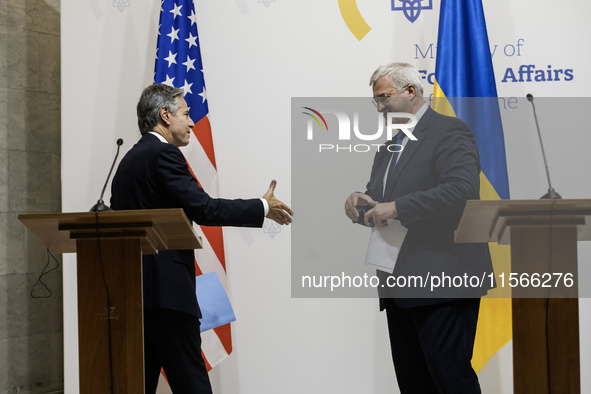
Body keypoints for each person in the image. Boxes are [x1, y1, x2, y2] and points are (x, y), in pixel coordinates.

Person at [110, 83, 293, 393]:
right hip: (168, 296)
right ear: (165, 115)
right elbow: (205, 209)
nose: (192, 121)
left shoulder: (128, 162)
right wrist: (261, 207)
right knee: (192, 385)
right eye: (186, 113)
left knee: (136, 385)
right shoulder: (163, 154)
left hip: (134, 295)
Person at [344, 63, 493, 393]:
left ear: (411, 91)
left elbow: (462, 190)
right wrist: (360, 204)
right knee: (414, 384)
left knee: (450, 379)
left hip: (444, 279)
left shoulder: (449, 131)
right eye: (376, 102)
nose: (380, 108)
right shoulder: (388, 148)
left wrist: (396, 207)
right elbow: (380, 204)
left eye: (384, 98)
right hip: (399, 284)